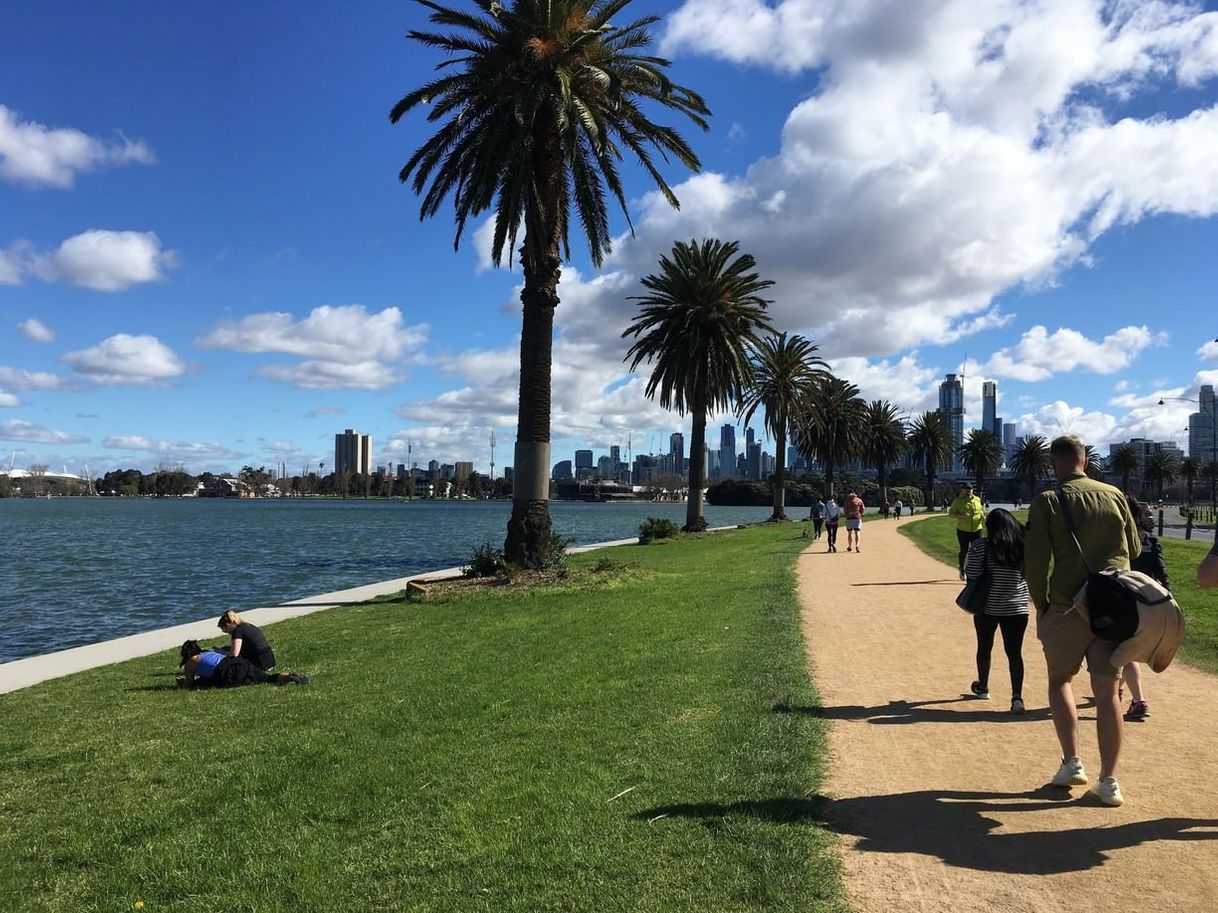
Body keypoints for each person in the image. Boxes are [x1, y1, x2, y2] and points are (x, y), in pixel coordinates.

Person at [1024, 435, 1141, 807]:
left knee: (1060, 680)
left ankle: (1072, 762)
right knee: (1108, 693)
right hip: (1113, 607)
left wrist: (1041, 604)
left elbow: (1037, 561)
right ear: (1085, 460)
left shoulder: (1048, 501)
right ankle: (1109, 780)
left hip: (1066, 605)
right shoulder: (1114, 494)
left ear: (1052, 463)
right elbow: (1134, 548)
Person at [964, 508, 1030, 713]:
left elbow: (972, 572)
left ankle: (983, 686)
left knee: (985, 647)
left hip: (987, 605)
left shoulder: (981, 546)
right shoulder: (1022, 547)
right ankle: (1017, 697)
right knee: (1014, 653)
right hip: (1017, 607)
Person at [1121, 495, 1171, 722]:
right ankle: (1120, 687)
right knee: (1124, 649)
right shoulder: (1151, 540)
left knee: (1125, 650)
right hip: (1148, 603)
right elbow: (1161, 574)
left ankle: (1138, 700)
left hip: (1124, 601)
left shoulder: (1118, 538)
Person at [178, 640, 308, 688]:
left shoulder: (190, 663)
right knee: (267, 678)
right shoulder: (209, 654)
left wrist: (183, 683)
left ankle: (245, 681)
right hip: (239, 662)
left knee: (200, 684)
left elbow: (190, 684)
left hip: (224, 672)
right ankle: (291, 675)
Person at [948, 482, 986, 581]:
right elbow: (951, 514)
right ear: (962, 490)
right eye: (966, 488)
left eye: (970, 488)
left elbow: (981, 511)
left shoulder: (977, 499)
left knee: (977, 550)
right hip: (963, 530)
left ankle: (977, 570)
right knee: (964, 550)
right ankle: (962, 569)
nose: (969, 490)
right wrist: (961, 516)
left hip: (977, 529)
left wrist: (983, 517)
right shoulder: (958, 501)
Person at [844, 488, 865, 552]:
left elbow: (845, 509)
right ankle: (857, 546)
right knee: (857, 532)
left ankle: (850, 546)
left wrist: (847, 515)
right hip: (857, 517)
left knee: (849, 533)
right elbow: (862, 508)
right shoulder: (859, 500)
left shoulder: (847, 500)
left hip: (849, 518)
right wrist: (860, 514)